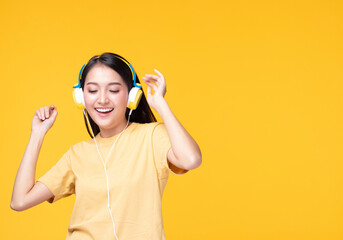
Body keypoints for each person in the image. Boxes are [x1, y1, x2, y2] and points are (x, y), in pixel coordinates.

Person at [10, 52, 202, 240]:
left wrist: (160, 104)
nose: (102, 99)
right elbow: (20, 201)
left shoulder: (151, 136)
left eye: (114, 90)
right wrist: (37, 135)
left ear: (132, 96)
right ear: (80, 97)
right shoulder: (77, 154)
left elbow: (191, 159)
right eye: (93, 90)